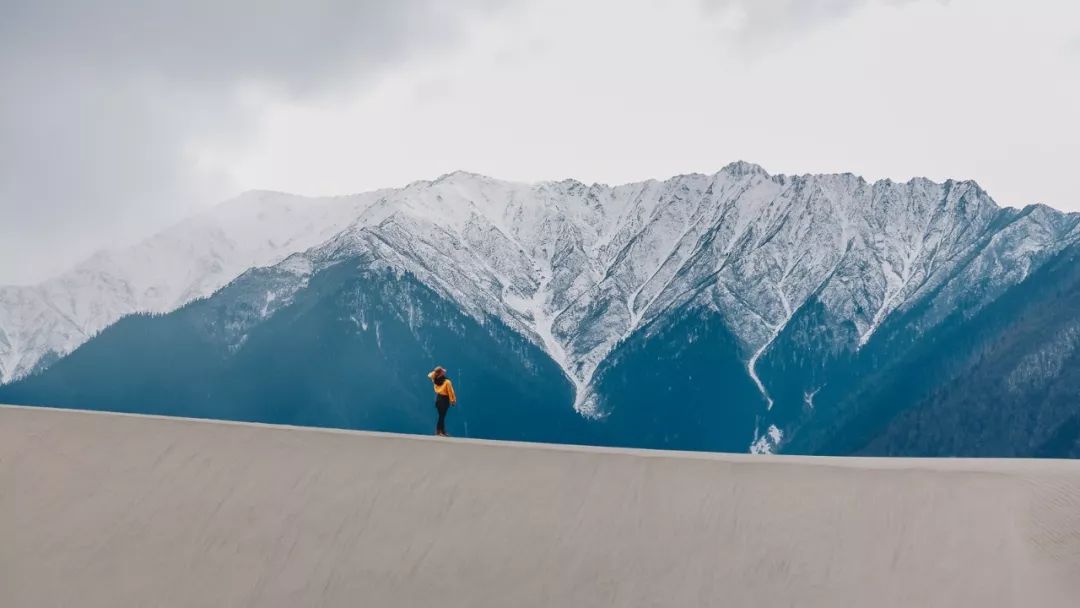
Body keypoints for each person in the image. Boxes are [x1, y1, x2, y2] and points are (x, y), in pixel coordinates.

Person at [427, 366, 457, 436]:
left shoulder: (435, 380)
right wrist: (453, 400)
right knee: (442, 416)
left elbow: (430, 375)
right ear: (441, 373)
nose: (444, 372)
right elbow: (450, 392)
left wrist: (435, 372)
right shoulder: (447, 382)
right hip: (445, 400)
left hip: (438, 399)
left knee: (441, 416)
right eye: (443, 371)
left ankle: (442, 431)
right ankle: (439, 431)